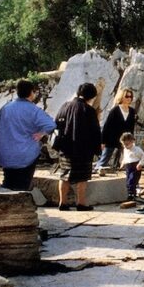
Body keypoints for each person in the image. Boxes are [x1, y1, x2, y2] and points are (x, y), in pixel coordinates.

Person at [0, 79, 56, 191]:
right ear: (31, 92)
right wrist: (41, 134)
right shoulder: (34, 110)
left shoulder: (5, 108)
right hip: (27, 154)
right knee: (23, 184)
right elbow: (51, 125)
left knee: (8, 182)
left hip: (7, 152)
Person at [53, 83, 103, 211]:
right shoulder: (89, 110)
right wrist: (98, 149)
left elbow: (56, 124)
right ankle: (81, 203)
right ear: (91, 96)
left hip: (65, 148)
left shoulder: (64, 106)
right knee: (82, 177)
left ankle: (62, 203)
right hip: (83, 149)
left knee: (64, 175)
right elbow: (95, 131)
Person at [97, 88, 136, 173]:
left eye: (130, 96)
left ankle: (133, 182)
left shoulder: (132, 111)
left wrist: (132, 140)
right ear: (122, 97)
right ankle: (96, 174)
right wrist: (103, 141)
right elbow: (107, 126)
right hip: (112, 139)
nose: (129, 98)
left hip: (125, 140)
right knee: (104, 160)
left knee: (130, 160)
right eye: (127, 96)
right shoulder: (115, 110)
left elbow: (131, 127)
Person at [119, 132, 144, 201]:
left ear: (132, 141)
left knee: (132, 180)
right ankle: (132, 193)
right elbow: (125, 157)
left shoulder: (137, 149)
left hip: (135, 166)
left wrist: (140, 164)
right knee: (128, 181)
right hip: (128, 167)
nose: (125, 146)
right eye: (124, 145)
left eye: (127, 144)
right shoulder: (125, 149)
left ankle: (131, 195)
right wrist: (122, 163)